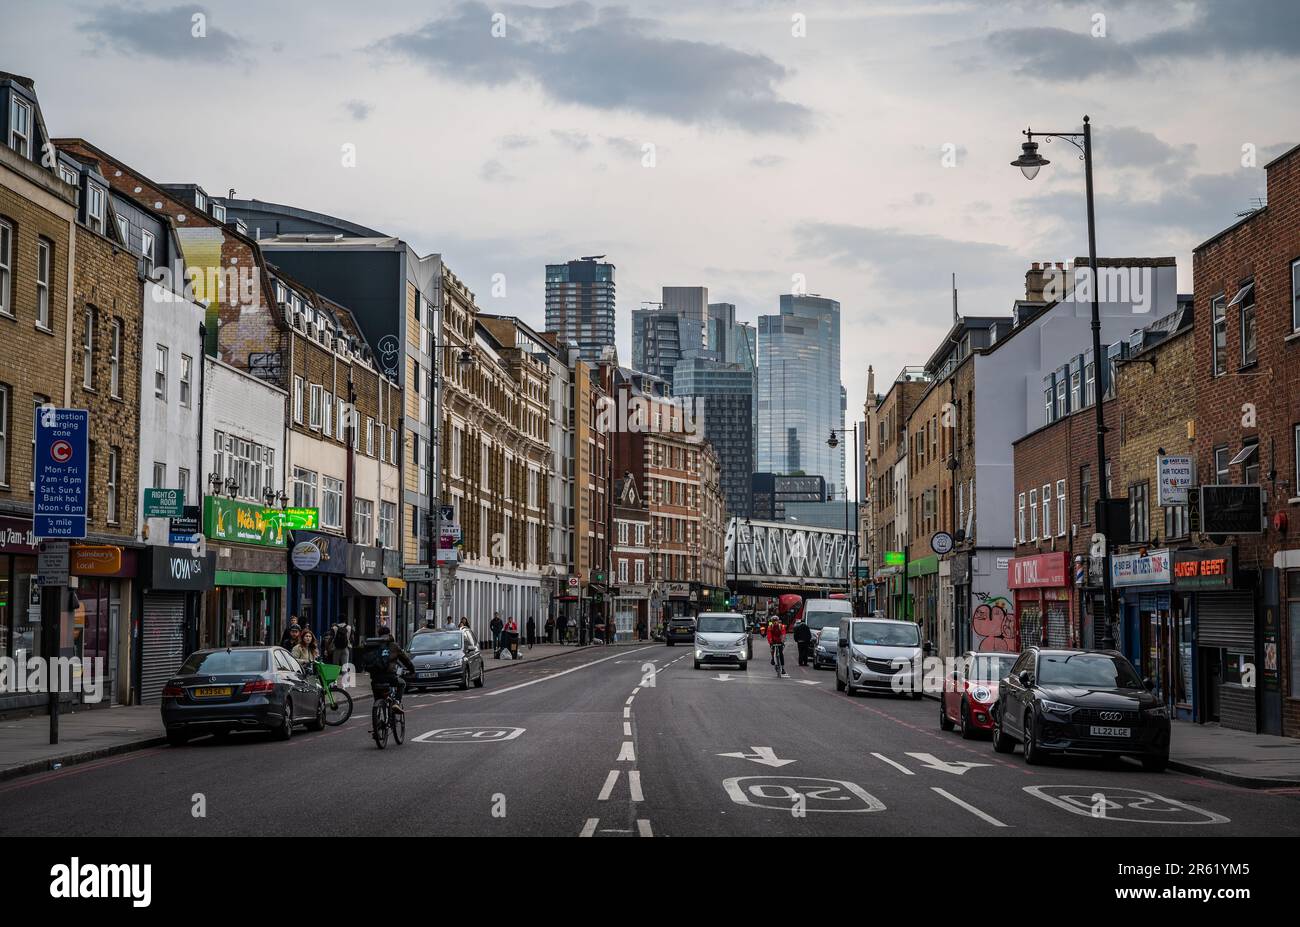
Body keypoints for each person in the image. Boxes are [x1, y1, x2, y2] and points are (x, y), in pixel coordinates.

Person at [368, 622, 415, 713]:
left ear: (379, 635)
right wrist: (412, 670)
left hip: (375, 677)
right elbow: (405, 660)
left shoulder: (373, 645)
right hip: (389, 676)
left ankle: (377, 708)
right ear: (389, 634)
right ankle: (396, 702)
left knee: (376, 694)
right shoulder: (393, 645)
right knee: (402, 683)